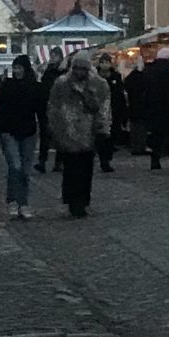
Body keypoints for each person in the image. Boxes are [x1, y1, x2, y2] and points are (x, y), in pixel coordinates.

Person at [45, 50, 113, 218]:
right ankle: (72, 201)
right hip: (67, 133)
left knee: (85, 169)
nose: (79, 72)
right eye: (76, 68)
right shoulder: (62, 84)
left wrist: (103, 128)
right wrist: (55, 129)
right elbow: (53, 107)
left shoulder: (98, 85)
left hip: (89, 133)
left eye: (83, 68)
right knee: (71, 169)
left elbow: (104, 108)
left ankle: (82, 201)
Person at [0, 53, 43, 219]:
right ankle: (13, 201)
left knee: (25, 170)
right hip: (9, 131)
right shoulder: (6, 86)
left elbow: (40, 110)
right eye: (15, 68)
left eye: (19, 68)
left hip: (28, 132)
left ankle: (23, 203)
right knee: (15, 166)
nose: (17, 71)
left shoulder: (34, 87)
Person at [132, 49, 169, 169]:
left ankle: (155, 160)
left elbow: (142, 88)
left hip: (154, 108)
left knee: (156, 135)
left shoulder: (149, 71)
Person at [34, 54, 63, 172]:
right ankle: (42, 161)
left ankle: (58, 162)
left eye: (55, 56)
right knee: (45, 135)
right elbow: (42, 87)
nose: (52, 58)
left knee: (59, 135)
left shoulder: (62, 72)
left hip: (59, 107)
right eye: (52, 56)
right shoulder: (47, 71)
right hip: (45, 105)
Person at [100, 59, 129, 172]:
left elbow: (120, 93)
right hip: (101, 110)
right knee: (102, 135)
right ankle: (104, 159)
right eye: (103, 62)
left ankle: (107, 158)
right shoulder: (95, 77)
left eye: (107, 62)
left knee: (112, 134)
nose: (105, 64)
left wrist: (123, 111)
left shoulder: (116, 76)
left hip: (114, 110)